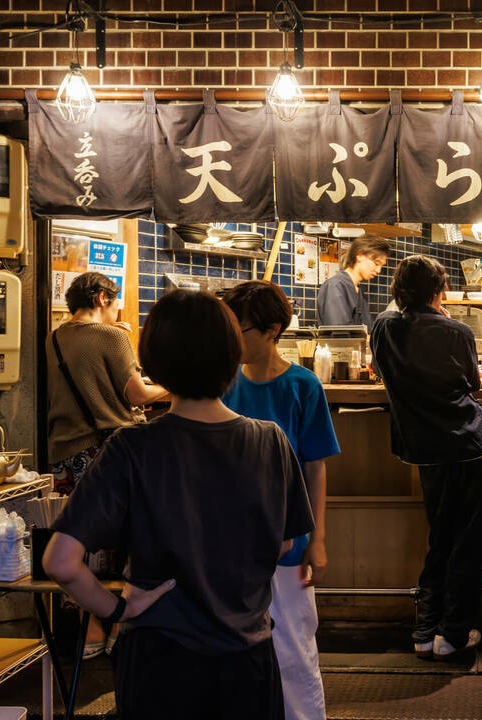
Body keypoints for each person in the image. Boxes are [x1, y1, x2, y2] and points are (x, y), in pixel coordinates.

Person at [43, 289, 314, 720]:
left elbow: (60, 562)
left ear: (155, 362)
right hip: (249, 656)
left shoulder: (131, 446)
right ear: (231, 356)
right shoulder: (270, 441)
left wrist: (119, 608)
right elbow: (284, 544)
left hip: (158, 655)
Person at [370, 256, 482, 659]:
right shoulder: (457, 331)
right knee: (471, 542)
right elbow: (472, 383)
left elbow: (381, 371)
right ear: (438, 289)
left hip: (425, 451)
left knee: (441, 539)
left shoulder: (382, 327)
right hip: (471, 447)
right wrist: (444, 319)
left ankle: (425, 631)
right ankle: (454, 635)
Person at [221, 281, 340, 720]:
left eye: (240, 329)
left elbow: (315, 467)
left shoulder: (302, 385)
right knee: (234, 647)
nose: (232, 340)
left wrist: (318, 539)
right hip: (230, 540)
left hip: (288, 536)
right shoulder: (223, 382)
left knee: (292, 643)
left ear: (272, 330)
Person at [45, 271, 167, 658]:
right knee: (131, 539)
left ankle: (89, 627)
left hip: (65, 452)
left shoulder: (55, 337)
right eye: (115, 301)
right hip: (110, 450)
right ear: (101, 298)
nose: (118, 309)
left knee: (76, 543)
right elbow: (139, 395)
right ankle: (122, 624)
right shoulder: (113, 336)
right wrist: (177, 385)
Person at [317, 237, 390, 327]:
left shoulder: (358, 291)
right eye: (376, 263)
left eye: (381, 266)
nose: (378, 270)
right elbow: (340, 333)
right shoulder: (335, 286)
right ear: (359, 256)